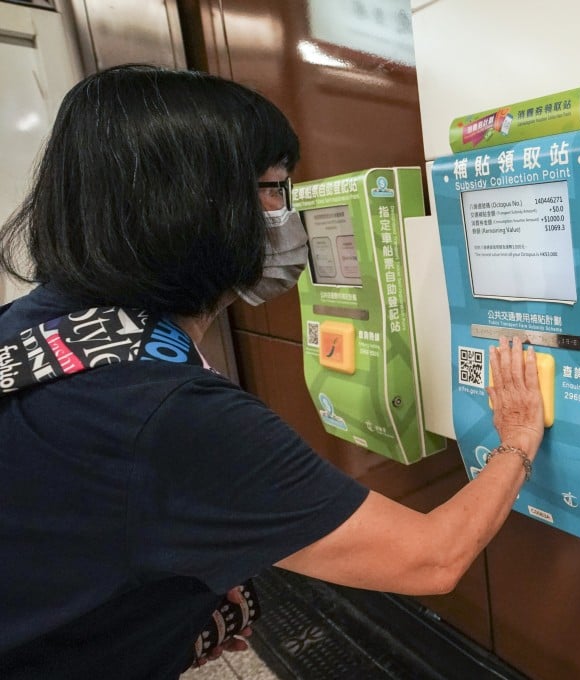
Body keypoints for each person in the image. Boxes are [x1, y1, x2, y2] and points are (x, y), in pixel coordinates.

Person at [0, 64, 545, 679]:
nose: (287, 218)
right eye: (275, 189)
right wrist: (518, 441)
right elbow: (432, 560)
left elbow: (65, 527)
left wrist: (159, 607)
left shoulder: (28, 324)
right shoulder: (168, 412)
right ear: (195, 209)